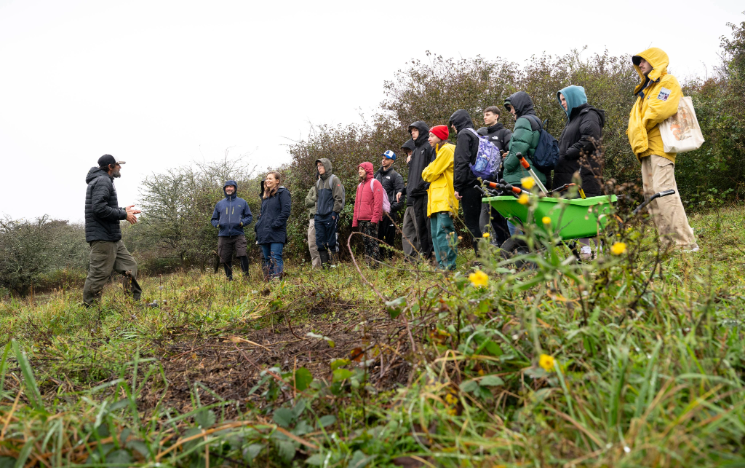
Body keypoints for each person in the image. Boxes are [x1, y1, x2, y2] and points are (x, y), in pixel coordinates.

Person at [627, 48, 698, 252]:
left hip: (661, 146)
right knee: (652, 195)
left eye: (643, 60)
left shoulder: (667, 82)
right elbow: (637, 119)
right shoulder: (646, 89)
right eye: (638, 62)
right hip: (646, 148)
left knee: (665, 192)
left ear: (654, 61)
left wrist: (639, 128)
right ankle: (668, 244)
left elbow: (660, 110)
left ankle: (685, 242)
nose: (640, 64)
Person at [82, 154, 142, 306]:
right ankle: (90, 309)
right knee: (98, 274)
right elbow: (99, 209)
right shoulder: (102, 181)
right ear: (110, 167)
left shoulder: (104, 180)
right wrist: (123, 214)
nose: (119, 167)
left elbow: (103, 207)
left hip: (112, 236)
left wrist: (122, 209)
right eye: (117, 165)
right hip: (103, 238)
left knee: (130, 266)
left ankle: (132, 304)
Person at [555, 85, 605, 259]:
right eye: (561, 100)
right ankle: (585, 250)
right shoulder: (573, 120)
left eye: (565, 99)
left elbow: (590, 139)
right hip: (573, 173)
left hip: (584, 172)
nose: (563, 104)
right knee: (580, 212)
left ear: (574, 99)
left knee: (589, 211)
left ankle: (600, 251)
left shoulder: (588, 115)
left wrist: (568, 152)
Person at [503, 92, 548, 235]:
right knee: (533, 219)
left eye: (511, 107)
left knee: (514, 217)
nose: (511, 111)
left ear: (519, 105)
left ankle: (521, 253)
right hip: (535, 175)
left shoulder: (523, 121)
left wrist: (506, 164)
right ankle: (536, 253)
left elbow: (519, 147)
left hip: (521, 176)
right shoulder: (535, 120)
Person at [422, 125, 459, 270]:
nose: (429, 138)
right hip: (436, 201)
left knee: (444, 233)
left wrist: (428, 170)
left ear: (440, 137)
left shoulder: (447, 149)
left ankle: (449, 266)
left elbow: (428, 173)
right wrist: (429, 171)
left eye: (431, 136)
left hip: (444, 199)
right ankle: (442, 265)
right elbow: (430, 173)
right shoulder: (439, 152)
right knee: (436, 235)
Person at [449, 109, 485, 257]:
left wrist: (457, 186)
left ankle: (481, 257)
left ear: (459, 121)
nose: (452, 127)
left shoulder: (464, 135)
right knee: (481, 222)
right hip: (479, 183)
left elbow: (461, 162)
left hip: (469, 186)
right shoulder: (475, 134)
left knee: (472, 223)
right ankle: (486, 255)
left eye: (453, 123)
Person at [477, 106, 512, 246]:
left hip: (500, 182)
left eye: (488, 114)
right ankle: (489, 251)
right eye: (484, 115)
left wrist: (508, 153)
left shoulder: (505, 133)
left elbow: (512, 150)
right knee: (484, 219)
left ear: (496, 116)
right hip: (484, 182)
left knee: (500, 218)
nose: (485, 117)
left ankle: (504, 248)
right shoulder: (481, 134)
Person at [210, 180, 253, 280]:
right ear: (224, 189)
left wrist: (242, 223)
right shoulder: (219, 204)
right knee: (225, 258)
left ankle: (246, 277)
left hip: (238, 233)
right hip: (223, 234)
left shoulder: (242, 202)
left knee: (242, 254)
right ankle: (229, 279)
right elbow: (213, 219)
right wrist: (217, 224)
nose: (229, 188)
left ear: (235, 188)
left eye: (231, 187)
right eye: (227, 187)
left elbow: (249, 217)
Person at [407, 121, 436, 261]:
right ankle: (426, 256)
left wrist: (424, 185)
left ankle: (434, 255)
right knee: (420, 227)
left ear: (422, 131)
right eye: (411, 130)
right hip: (415, 194)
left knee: (429, 225)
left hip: (426, 192)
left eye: (415, 130)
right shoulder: (415, 150)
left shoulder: (429, 147)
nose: (412, 132)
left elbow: (433, 169)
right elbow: (412, 173)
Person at [255, 172, 291, 279]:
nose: (268, 180)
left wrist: (275, 224)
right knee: (267, 259)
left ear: (277, 181)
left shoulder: (283, 192)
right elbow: (262, 214)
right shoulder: (265, 196)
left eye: (270, 178)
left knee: (275, 257)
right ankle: (270, 282)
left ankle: (277, 282)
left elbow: (286, 211)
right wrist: (258, 225)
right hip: (264, 232)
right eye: (267, 178)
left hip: (277, 231)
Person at [313, 158, 345, 268]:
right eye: (318, 166)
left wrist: (334, 213)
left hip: (330, 215)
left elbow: (338, 198)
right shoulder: (318, 182)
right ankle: (325, 267)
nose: (319, 168)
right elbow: (317, 200)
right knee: (320, 242)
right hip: (319, 217)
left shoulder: (334, 179)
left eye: (321, 165)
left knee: (332, 241)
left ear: (327, 166)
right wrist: (316, 214)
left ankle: (335, 265)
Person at [352, 162, 384, 268]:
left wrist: (374, 219)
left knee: (373, 242)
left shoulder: (375, 183)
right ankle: (369, 265)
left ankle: (376, 265)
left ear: (368, 170)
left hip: (371, 220)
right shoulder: (359, 186)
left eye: (362, 169)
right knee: (366, 243)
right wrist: (355, 220)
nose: (359, 171)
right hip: (361, 219)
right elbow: (357, 204)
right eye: (359, 169)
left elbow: (378, 203)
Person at [375, 150, 405, 260]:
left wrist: (391, 209)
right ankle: (380, 260)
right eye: (383, 158)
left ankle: (390, 260)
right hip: (377, 212)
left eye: (386, 159)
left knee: (389, 238)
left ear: (392, 161)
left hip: (390, 213)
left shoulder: (396, 176)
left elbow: (400, 195)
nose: (383, 160)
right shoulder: (377, 175)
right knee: (378, 237)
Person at [399, 139, 419, 258]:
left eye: (410, 152)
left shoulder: (419, 165)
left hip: (418, 202)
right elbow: (411, 184)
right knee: (406, 233)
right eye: (407, 154)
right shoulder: (411, 169)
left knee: (419, 232)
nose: (408, 156)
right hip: (409, 203)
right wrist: (402, 191)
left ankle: (421, 258)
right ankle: (409, 259)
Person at [304, 183, 322, 269]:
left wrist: (314, 200)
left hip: (326, 217)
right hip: (313, 218)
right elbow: (307, 202)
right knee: (312, 243)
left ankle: (329, 266)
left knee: (327, 243)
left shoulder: (331, 186)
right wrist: (316, 199)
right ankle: (316, 267)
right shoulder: (313, 188)